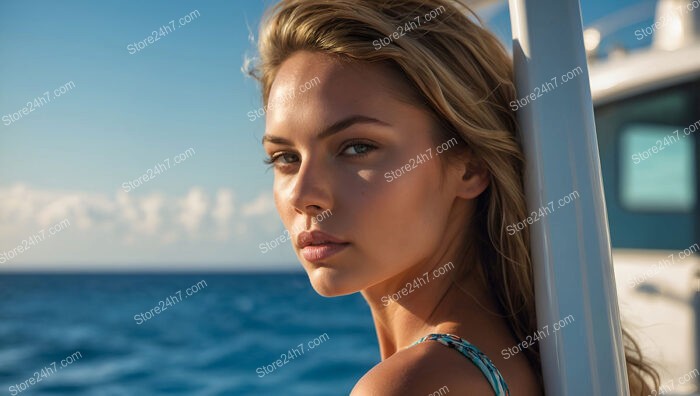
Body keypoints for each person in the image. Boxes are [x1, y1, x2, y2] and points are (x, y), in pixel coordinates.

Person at [250, 0, 660, 394]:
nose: (304, 194)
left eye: (357, 147)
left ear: (469, 165)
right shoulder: (522, 358)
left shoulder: (413, 386)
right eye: (285, 157)